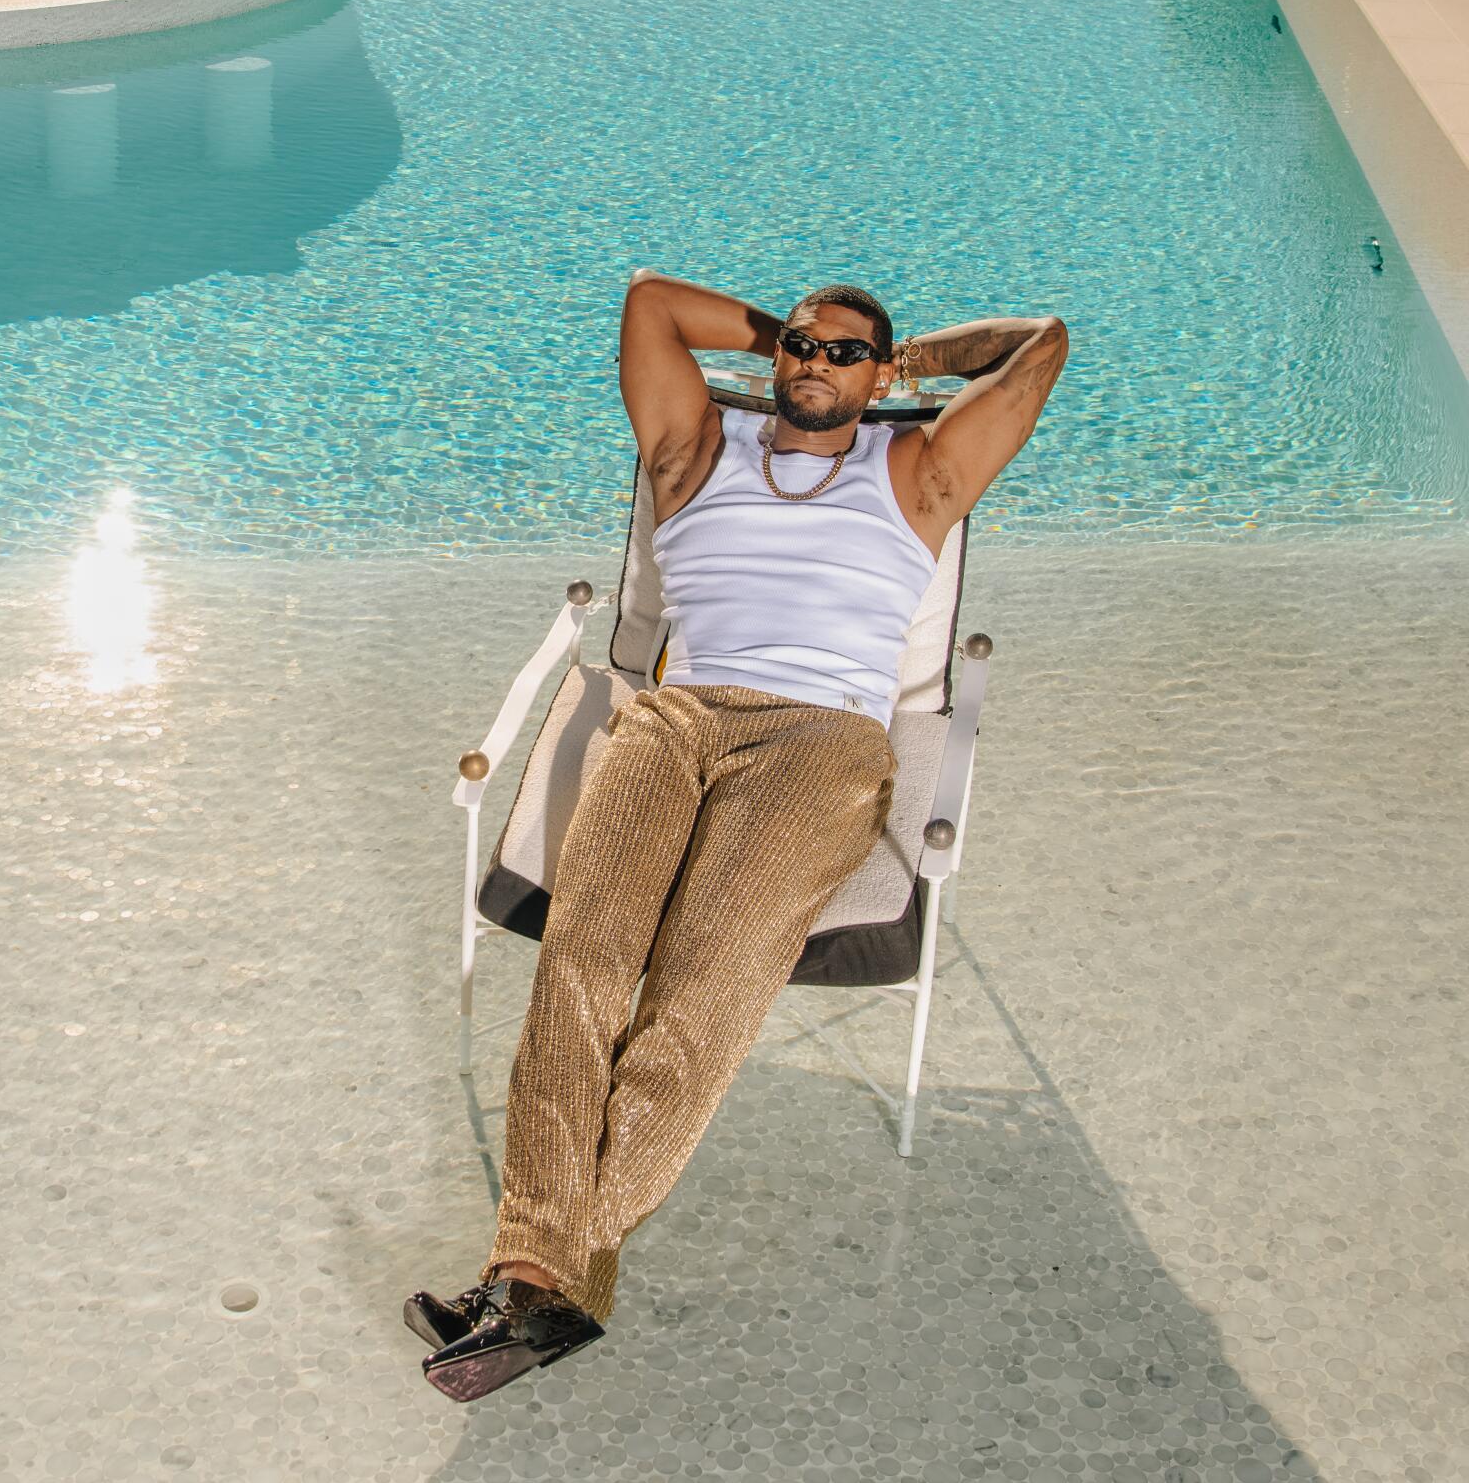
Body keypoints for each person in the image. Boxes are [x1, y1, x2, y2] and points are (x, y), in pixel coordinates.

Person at [409, 273, 1068, 1404]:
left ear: (879, 373)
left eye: (842, 353)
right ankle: (544, 1282)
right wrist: (787, 341)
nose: (816, 363)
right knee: (582, 958)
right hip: (672, 720)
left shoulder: (913, 475)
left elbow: (1039, 349)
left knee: (699, 988)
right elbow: (648, 302)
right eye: (804, 347)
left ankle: (536, 1266)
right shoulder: (693, 450)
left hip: (819, 744)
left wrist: (899, 369)